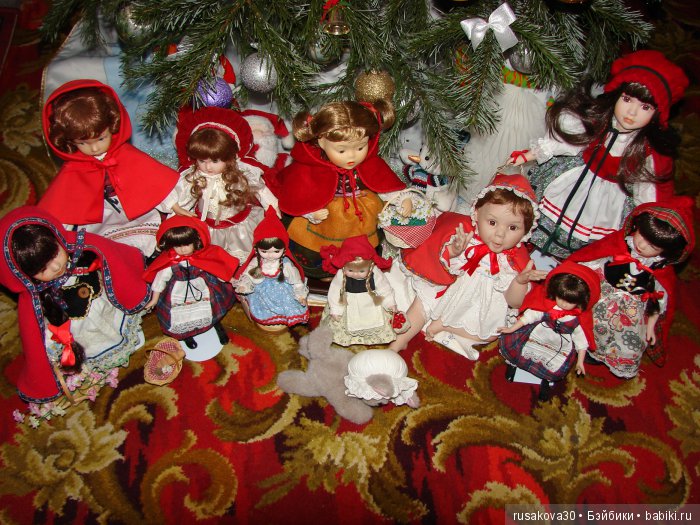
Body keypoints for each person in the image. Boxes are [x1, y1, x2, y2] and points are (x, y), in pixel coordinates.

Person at [509, 50, 689, 261]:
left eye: (645, 107)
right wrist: (531, 154)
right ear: (616, 95)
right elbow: (567, 142)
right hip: (571, 180)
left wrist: (647, 222)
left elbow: (647, 190)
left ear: (657, 114)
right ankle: (527, 244)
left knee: (588, 235)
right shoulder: (596, 122)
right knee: (542, 213)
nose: (631, 113)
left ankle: (571, 261)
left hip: (609, 200)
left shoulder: (646, 150)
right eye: (627, 99)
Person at [0, 206, 149, 404]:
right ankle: (101, 353)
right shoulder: (37, 297)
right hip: (76, 326)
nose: (56, 267)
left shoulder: (81, 248)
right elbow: (33, 334)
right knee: (89, 338)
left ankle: (122, 336)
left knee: (109, 317)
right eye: (43, 269)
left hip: (101, 304)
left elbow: (111, 253)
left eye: (55, 253)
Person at [390, 174, 547, 359]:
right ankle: (398, 342)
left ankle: (446, 325)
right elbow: (444, 262)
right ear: (477, 214)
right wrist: (454, 251)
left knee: (491, 332)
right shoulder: (468, 237)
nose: (500, 234)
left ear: (526, 231)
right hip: (451, 286)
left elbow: (515, 302)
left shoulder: (514, 261)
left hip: (481, 302)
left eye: (513, 228)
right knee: (422, 303)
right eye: (492, 223)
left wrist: (519, 282)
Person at [267, 100, 409, 279]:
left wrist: (401, 198)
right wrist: (310, 212)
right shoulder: (310, 167)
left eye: (360, 147)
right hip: (327, 217)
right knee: (318, 242)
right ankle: (326, 271)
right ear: (321, 142)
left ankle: (358, 269)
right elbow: (299, 192)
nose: (352, 156)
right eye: (341, 151)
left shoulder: (369, 163)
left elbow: (384, 182)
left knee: (363, 244)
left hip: (361, 213)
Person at [39, 80, 179, 256]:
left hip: (137, 209)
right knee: (103, 245)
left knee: (152, 234)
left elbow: (154, 183)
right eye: (83, 143)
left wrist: (174, 206)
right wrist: (56, 235)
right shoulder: (74, 169)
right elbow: (64, 206)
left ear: (112, 127)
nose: (94, 148)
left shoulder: (126, 155)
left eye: (101, 138)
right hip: (101, 216)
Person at [567, 198, 694, 378]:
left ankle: (600, 352)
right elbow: (593, 257)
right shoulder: (619, 243)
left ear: (665, 252)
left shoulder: (660, 270)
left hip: (630, 308)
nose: (641, 245)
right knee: (580, 312)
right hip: (602, 290)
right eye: (641, 235)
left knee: (620, 335)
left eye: (653, 246)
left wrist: (650, 326)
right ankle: (576, 338)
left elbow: (658, 300)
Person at [165, 106, 278, 260]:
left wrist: (272, 206)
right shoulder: (195, 177)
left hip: (239, 227)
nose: (208, 167)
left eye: (215, 161)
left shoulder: (240, 173)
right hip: (208, 229)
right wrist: (175, 211)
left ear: (229, 156)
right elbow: (180, 196)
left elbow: (260, 189)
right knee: (210, 259)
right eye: (202, 160)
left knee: (243, 255)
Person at [498, 261, 600, 401]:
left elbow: (581, 342)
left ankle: (545, 381)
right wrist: (511, 328)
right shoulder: (548, 306)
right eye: (560, 297)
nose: (563, 304)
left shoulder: (578, 319)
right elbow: (529, 316)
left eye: (570, 301)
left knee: (552, 364)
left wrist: (580, 362)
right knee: (521, 349)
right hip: (538, 333)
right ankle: (514, 365)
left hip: (559, 345)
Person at [143, 216, 239, 349]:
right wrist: (154, 299)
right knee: (182, 315)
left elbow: (216, 268)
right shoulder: (170, 262)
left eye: (187, 245)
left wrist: (229, 278)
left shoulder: (202, 255)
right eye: (177, 246)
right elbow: (160, 281)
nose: (182, 250)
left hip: (203, 287)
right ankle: (186, 335)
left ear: (195, 241)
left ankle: (216, 325)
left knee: (213, 308)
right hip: (178, 293)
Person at [235, 207, 309, 329]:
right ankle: (268, 319)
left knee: (287, 302)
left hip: (282, 292)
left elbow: (296, 282)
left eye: (276, 251)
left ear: (284, 250)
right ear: (256, 249)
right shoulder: (257, 262)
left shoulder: (286, 265)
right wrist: (244, 284)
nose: (270, 255)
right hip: (261, 291)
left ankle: (282, 318)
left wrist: (300, 295)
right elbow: (249, 275)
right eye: (264, 251)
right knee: (259, 304)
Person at [320, 235, 398, 347]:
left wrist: (390, 302)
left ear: (370, 266)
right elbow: (335, 291)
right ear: (344, 266)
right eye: (350, 270)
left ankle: (372, 338)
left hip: (371, 302)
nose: (356, 274)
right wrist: (336, 309)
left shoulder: (375, 271)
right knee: (344, 322)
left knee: (376, 320)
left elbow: (384, 288)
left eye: (361, 271)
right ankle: (348, 338)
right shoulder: (341, 274)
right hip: (348, 302)